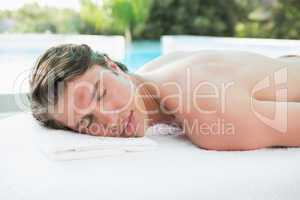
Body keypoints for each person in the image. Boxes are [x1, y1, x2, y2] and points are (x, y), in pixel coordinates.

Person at [29, 44, 300, 150]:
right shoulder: (150, 73)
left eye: (101, 94)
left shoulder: (209, 113)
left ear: (112, 65)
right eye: (87, 122)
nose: (109, 119)